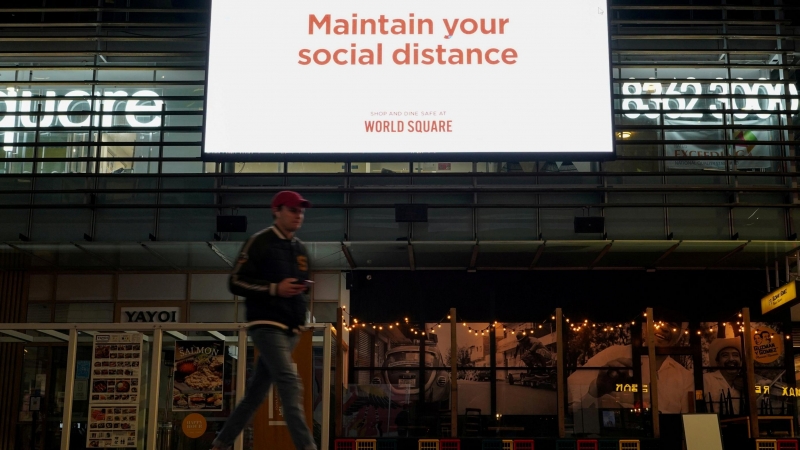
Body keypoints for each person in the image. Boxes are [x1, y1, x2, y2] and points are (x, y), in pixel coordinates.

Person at [212, 191, 316, 450]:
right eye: (293, 210)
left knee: (255, 395)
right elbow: (235, 281)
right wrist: (274, 289)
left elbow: (301, 287)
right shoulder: (258, 242)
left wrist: (301, 305)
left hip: (290, 330)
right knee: (290, 385)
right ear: (277, 211)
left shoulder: (300, 248)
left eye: (301, 211)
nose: (298, 215)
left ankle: (221, 443)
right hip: (267, 327)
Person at [568, 319, 694, 414]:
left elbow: (688, 425)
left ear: (680, 335)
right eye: (658, 320)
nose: (665, 328)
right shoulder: (613, 354)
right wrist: (596, 390)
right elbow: (571, 402)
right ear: (645, 325)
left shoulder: (685, 377)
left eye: (674, 325)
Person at [703, 338, 743, 414]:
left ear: (740, 361)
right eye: (725, 355)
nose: (731, 359)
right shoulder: (707, 380)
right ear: (717, 362)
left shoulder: (745, 384)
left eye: (735, 355)